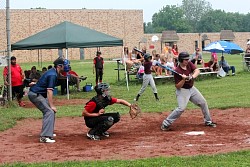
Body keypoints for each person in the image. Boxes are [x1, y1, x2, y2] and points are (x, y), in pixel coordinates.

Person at [161, 52, 216, 131]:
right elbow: (177, 86)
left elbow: (197, 71)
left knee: (203, 102)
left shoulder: (189, 64)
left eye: (188, 59)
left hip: (191, 88)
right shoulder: (178, 71)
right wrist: (183, 80)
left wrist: (192, 77)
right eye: (185, 59)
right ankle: (165, 123)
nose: (187, 61)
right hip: (182, 90)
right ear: (181, 60)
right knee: (181, 108)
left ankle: (208, 121)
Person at [28, 57, 66, 143]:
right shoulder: (53, 74)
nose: (66, 66)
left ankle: (48, 132)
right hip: (35, 95)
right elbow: (49, 91)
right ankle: (44, 136)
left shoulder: (53, 72)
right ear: (59, 66)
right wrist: (51, 105)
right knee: (49, 111)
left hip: (38, 94)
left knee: (51, 111)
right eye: (64, 65)